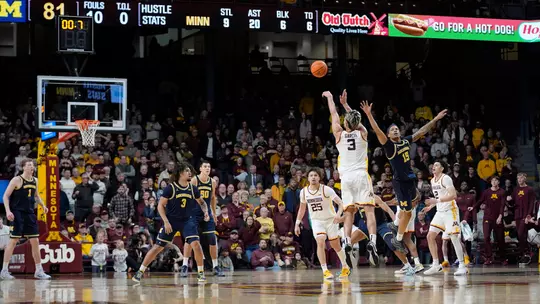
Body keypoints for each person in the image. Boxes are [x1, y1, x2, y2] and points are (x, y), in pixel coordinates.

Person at [360, 100, 447, 252]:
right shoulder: (388, 145)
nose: (395, 130)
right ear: (388, 135)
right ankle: (398, 238)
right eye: (392, 130)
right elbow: (378, 130)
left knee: (413, 205)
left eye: (396, 129)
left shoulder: (406, 141)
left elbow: (421, 132)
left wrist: (436, 119)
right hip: (399, 182)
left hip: (410, 180)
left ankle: (395, 227)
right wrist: (368, 115)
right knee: (406, 212)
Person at [323, 90, 378, 267]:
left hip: (346, 178)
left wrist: (331, 98)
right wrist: (347, 105)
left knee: (349, 213)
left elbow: (333, 114)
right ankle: (373, 242)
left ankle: (346, 241)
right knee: (369, 211)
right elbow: (356, 119)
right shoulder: (362, 133)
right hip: (361, 175)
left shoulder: (339, 134)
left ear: (345, 122)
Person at [132, 162, 210, 283]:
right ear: (180, 173)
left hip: (187, 220)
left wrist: (205, 212)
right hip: (171, 221)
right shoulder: (171, 188)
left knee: (196, 244)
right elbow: (160, 206)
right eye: (187, 171)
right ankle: (140, 271)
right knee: (157, 247)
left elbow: (202, 202)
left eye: (190, 171)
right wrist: (166, 222)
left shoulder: (193, 188)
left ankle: (201, 273)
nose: (190, 173)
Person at [294, 168, 350, 280]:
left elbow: (340, 203)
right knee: (320, 241)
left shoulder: (327, 190)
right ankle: (325, 270)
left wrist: (338, 215)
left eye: (315, 175)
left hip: (331, 220)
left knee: (336, 245)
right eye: (311, 175)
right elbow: (302, 208)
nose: (313, 177)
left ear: (319, 177)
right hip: (317, 221)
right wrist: (297, 223)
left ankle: (345, 266)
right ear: (308, 178)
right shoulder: (304, 192)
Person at [1, 158, 51, 280]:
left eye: (32, 165)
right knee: (13, 241)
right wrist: (8, 211)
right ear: (23, 167)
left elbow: (37, 196)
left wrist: (43, 205)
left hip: (29, 214)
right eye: (29, 165)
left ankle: (39, 270)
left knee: (35, 241)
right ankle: (4, 270)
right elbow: (6, 196)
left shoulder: (35, 180)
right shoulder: (17, 180)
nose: (31, 167)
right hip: (17, 213)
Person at [422, 162, 468, 276]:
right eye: (433, 165)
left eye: (437, 165)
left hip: (450, 211)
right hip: (440, 211)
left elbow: (453, 196)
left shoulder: (446, 178)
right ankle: (436, 264)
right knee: (430, 236)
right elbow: (438, 197)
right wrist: (431, 206)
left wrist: (435, 201)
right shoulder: (432, 180)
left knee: (454, 237)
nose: (434, 166)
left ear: (442, 168)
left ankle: (462, 265)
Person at [181, 160, 224, 277]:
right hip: (194, 213)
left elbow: (213, 198)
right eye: (205, 166)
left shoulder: (212, 182)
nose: (207, 168)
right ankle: (184, 265)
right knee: (190, 239)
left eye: (209, 166)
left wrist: (214, 214)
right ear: (200, 169)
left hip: (207, 213)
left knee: (212, 238)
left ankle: (215, 266)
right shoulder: (195, 180)